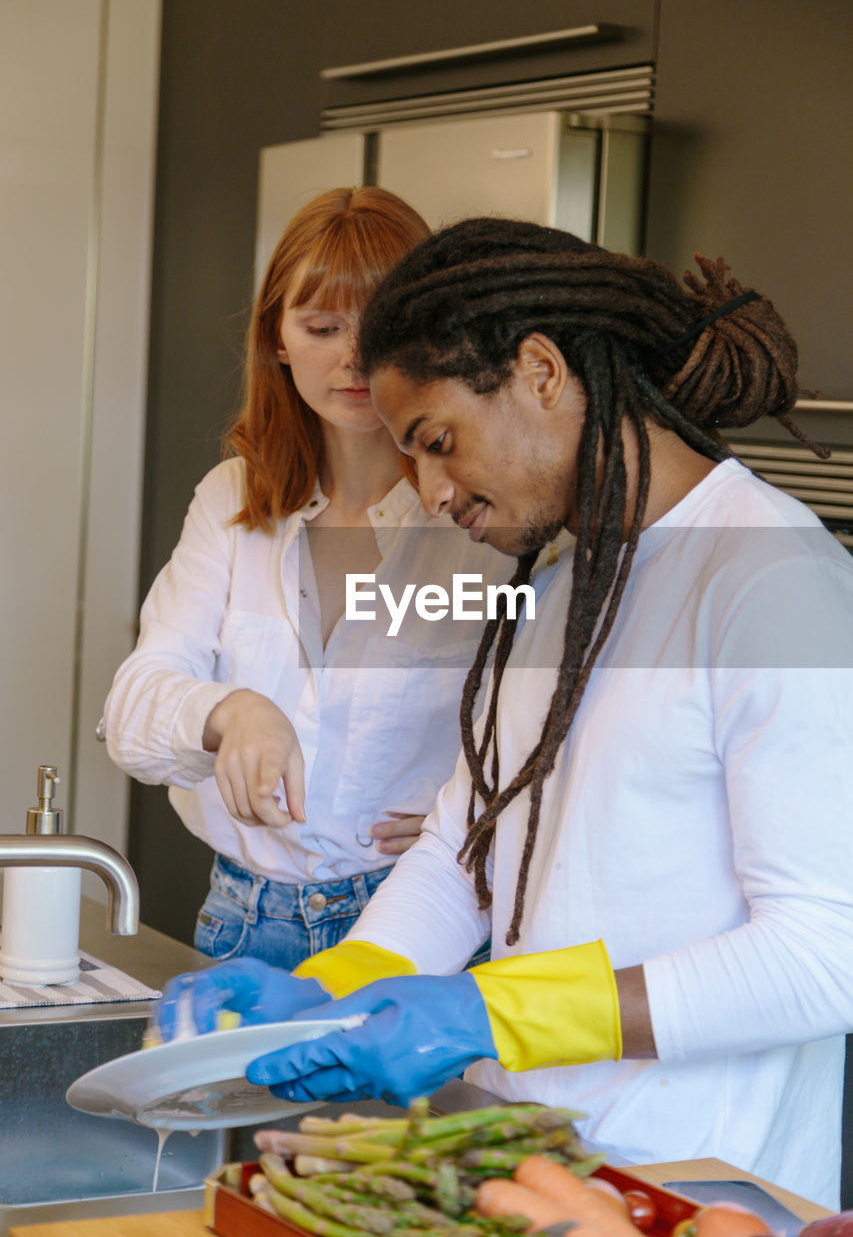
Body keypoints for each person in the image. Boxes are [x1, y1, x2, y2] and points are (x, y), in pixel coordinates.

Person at [152, 219, 853, 1207]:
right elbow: (460, 850)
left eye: (438, 443)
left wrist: (492, 1010)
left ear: (539, 372)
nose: (434, 494)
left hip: (696, 1186)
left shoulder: (773, 580)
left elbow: (827, 955)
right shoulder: (561, 582)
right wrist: (332, 987)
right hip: (535, 1166)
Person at [103, 190, 509, 970]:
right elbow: (133, 708)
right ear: (278, 342)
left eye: (379, 326)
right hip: (244, 924)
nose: (352, 357)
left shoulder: (481, 517)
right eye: (321, 328)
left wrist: (475, 811)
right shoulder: (233, 497)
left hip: (422, 919)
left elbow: (551, 728)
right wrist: (232, 711)